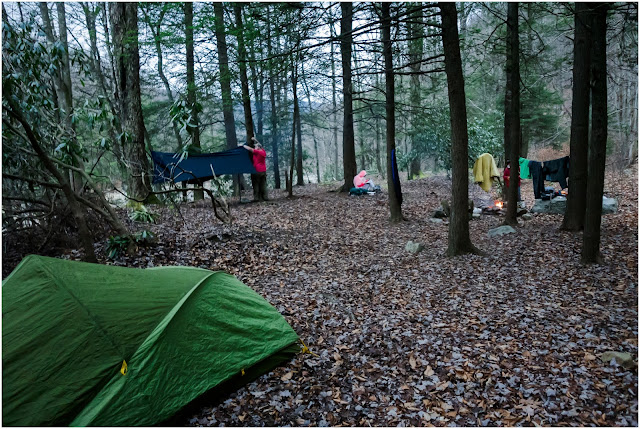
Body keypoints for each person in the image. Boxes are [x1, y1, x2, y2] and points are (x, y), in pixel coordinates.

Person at [243, 137, 268, 202]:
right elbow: (260, 145)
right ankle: (265, 197)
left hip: (257, 171)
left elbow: (250, 149)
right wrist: (255, 140)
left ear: (258, 148)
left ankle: (256, 198)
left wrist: (244, 146)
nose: (255, 147)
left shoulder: (258, 152)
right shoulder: (263, 152)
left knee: (255, 184)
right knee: (263, 184)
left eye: (256, 147)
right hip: (263, 171)